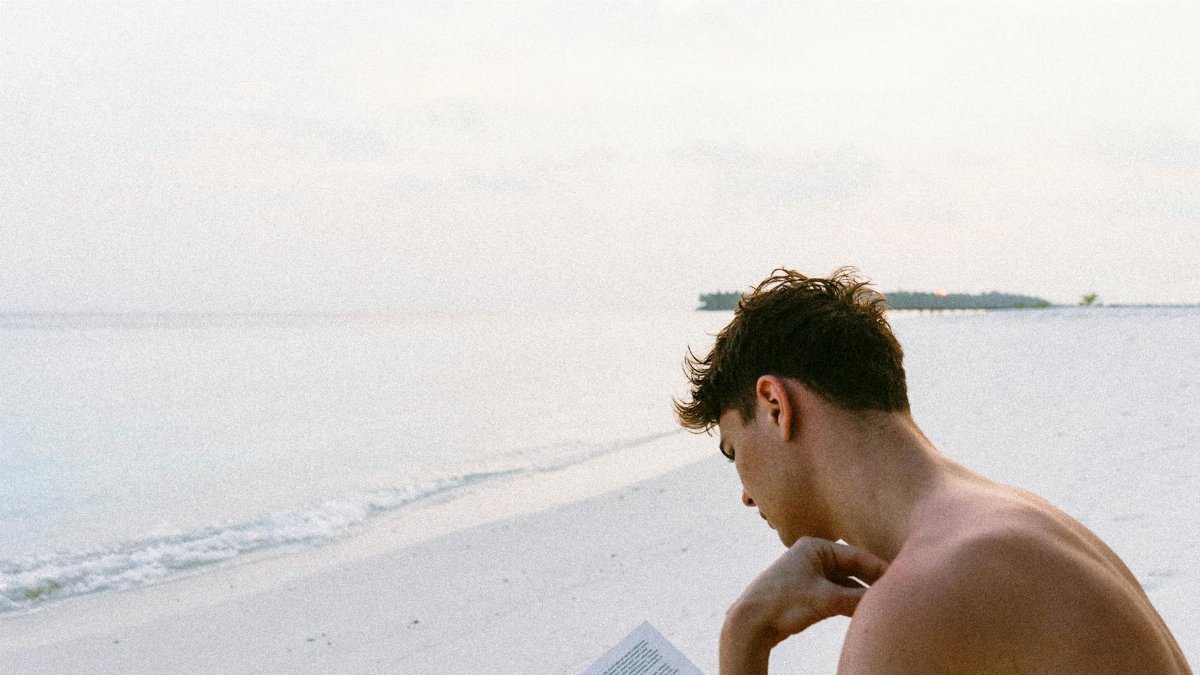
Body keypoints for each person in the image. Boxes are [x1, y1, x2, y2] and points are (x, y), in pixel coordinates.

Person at [674, 268, 1190, 674]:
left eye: (732, 451)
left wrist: (744, 636)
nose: (744, 494)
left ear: (774, 405)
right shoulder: (1011, 523)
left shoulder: (921, 598)